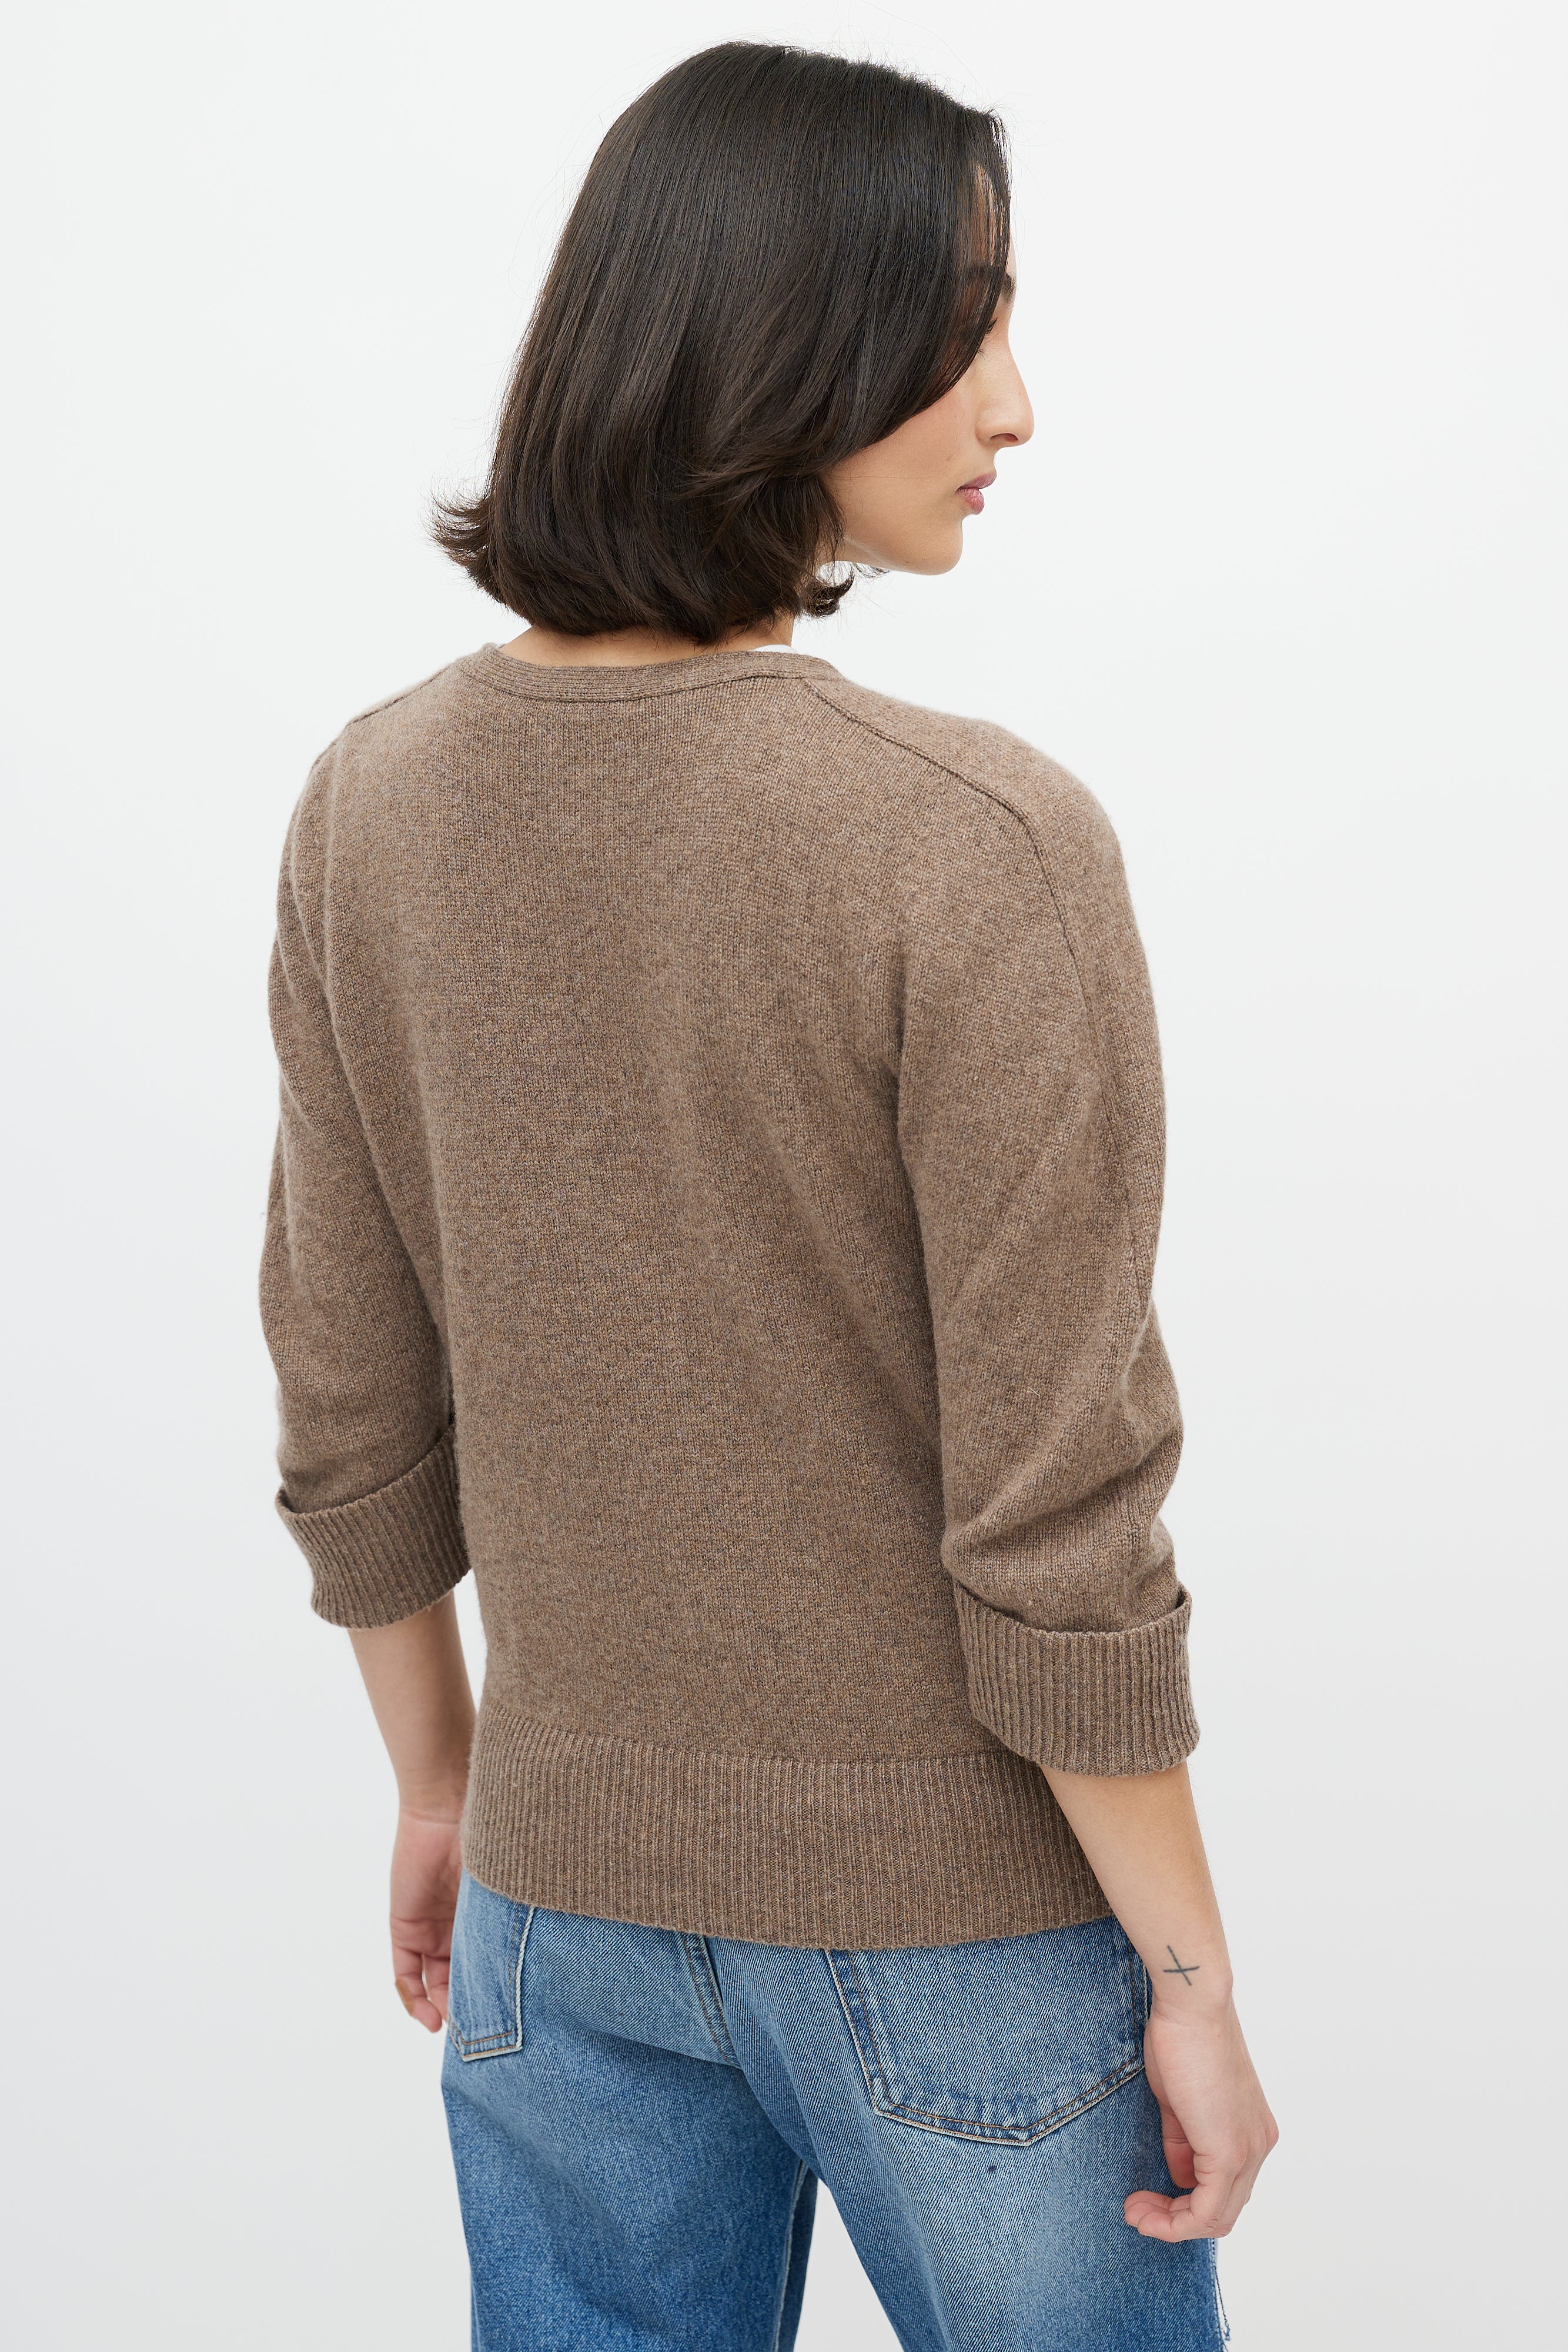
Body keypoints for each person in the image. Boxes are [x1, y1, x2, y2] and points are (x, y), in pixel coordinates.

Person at [260, 40, 1276, 2352]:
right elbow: (1056, 1511)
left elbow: (346, 1386)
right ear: (783, 343)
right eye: (964, 326)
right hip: (959, 1931)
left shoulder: (368, 805)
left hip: (554, 1909)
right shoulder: (972, 840)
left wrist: (442, 1784)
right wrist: (1190, 1981)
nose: (1014, 407)